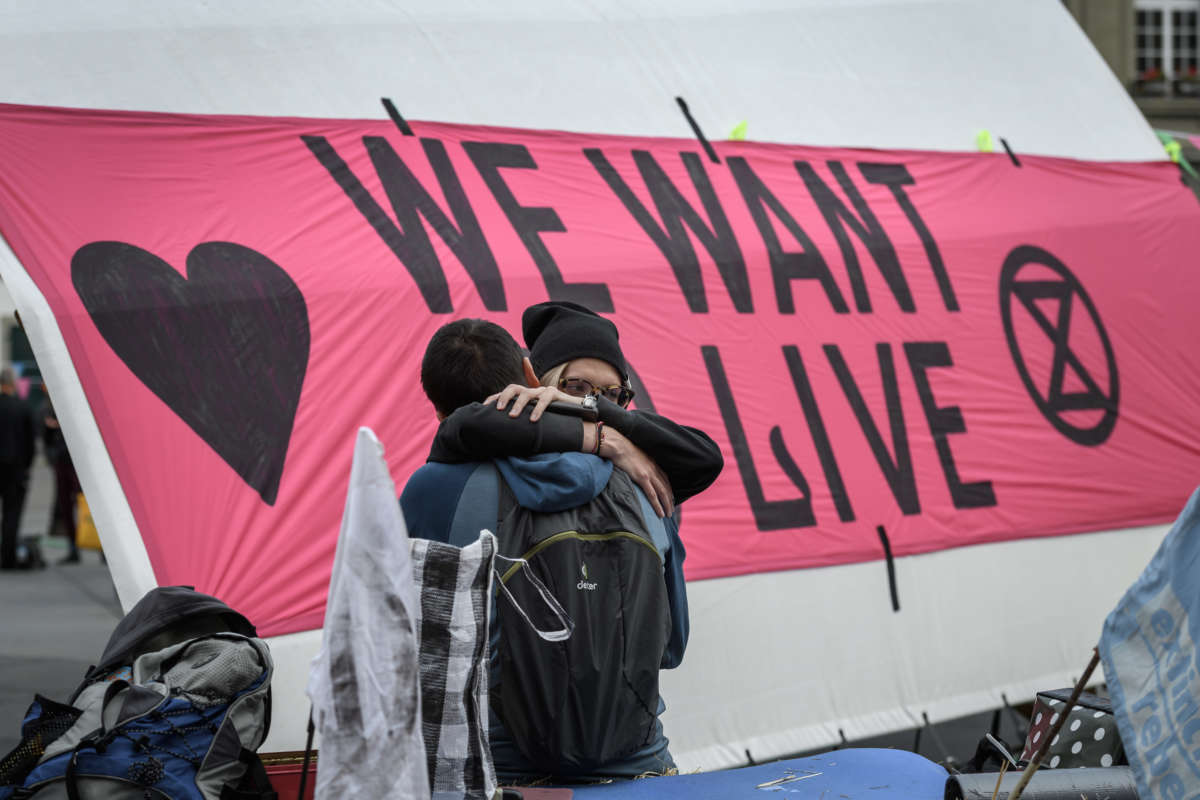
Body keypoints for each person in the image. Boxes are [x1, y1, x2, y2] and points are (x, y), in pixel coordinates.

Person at [402, 305, 722, 782]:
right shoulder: (648, 484)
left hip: (504, 773)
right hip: (641, 768)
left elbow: (413, 647)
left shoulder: (437, 487)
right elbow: (670, 647)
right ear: (532, 379)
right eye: (580, 389)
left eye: (614, 395)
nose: (595, 400)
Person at [0, 366, 35, 569]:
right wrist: (26, 466)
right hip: (16, 469)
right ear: (13, 384)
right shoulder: (23, 408)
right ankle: (8, 556)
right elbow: (30, 444)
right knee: (12, 514)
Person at [42, 397, 80, 564]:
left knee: (86, 504)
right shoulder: (51, 407)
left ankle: (100, 547)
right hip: (63, 460)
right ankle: (73, 547)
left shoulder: (78, 405)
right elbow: (46, 437)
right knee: (66, 505)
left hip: (76, 461)